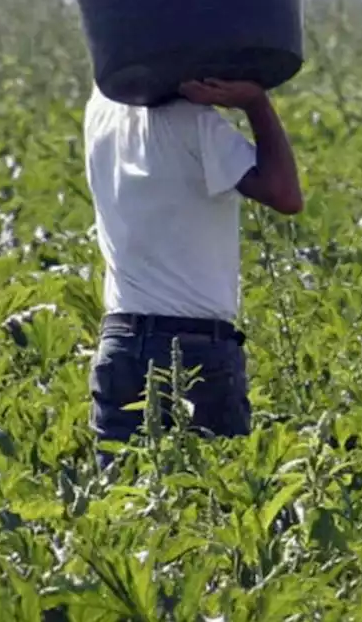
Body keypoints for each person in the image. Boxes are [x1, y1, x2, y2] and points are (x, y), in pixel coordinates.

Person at [83, 77, 303, 463]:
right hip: (197, 349)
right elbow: (285, 194)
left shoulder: (100, 110)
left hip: (119, 343)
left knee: (120, 509)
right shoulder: (195, 123)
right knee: (218, 501)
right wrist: (255, 103)